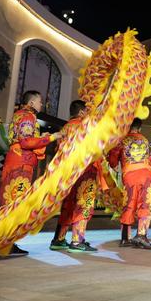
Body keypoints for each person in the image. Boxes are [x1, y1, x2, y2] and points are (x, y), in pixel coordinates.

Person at [1, 91, 63, 255]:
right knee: (14, 204)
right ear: (32, 102)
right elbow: (26, 141)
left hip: (18, 161)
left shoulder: (19, 115)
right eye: (40, 101)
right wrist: (51, 138)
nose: (41, 104)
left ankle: (7, 243)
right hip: (21, 164)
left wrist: (41, 137)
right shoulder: (28, 116)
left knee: (12, 203)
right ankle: (5, 244)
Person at [50, 100, 107, 252]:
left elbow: (58, 150)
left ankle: (58, 239)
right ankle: (77, 240)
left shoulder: (66, 127)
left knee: (68, 204)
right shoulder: (85, 126)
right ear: (82, 112)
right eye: (87, 111)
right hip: (85, 170)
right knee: (84, 203)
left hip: (68, 173)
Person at [109, 118, 151, 249]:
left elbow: (113, 159)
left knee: (129, 204)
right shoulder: (144, 139)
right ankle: (141, 235)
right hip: (146, 174)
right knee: (145, 204)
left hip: (130, 176)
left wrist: (115, 164)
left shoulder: (121, 140)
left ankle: (125, 239)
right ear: (139, 128)